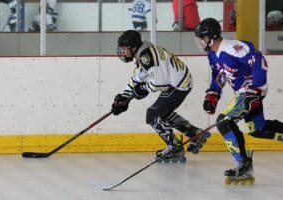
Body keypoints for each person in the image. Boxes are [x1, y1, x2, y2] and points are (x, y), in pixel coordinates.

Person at [194, 18, 283, 184]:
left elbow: (258, 58)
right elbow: (219, 76)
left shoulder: (232, 48)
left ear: (211, 36)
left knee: (224, 122)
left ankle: (243, 165)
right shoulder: (213, 55)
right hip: (244, 93)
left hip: (249, 91)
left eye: (202, 37)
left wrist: (254, 90)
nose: (200, 41)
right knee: (259, 129)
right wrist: (213, 94)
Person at [111, 30, 211, 163]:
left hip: (177, 85)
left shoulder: (147, 55)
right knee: (163, 113)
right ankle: (194, 133)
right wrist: (125, 97)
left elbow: (159, 83)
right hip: (178, 83)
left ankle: (174, 147)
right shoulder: (144, 53)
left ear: (134, 47)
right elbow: (137, 78)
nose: (123, 52)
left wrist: (142, 89)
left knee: (152, 114)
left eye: (125, 49)